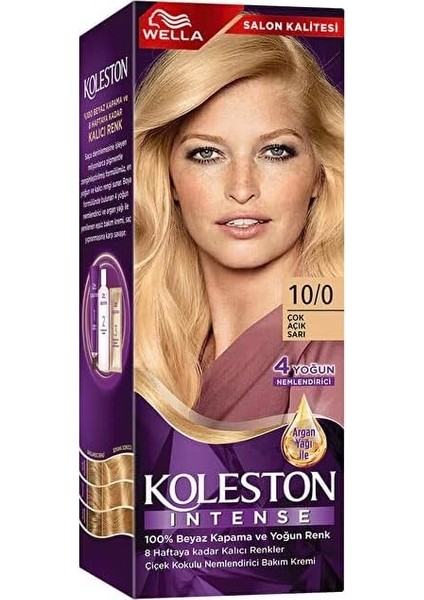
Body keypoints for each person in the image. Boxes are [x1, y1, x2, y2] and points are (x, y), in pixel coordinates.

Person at [134, 34, 343, 440]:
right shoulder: (158, 344)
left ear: (319, 174)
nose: (242, 188)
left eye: (276, 152)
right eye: (206, 154)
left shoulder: (331, 346)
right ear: (168, 178)